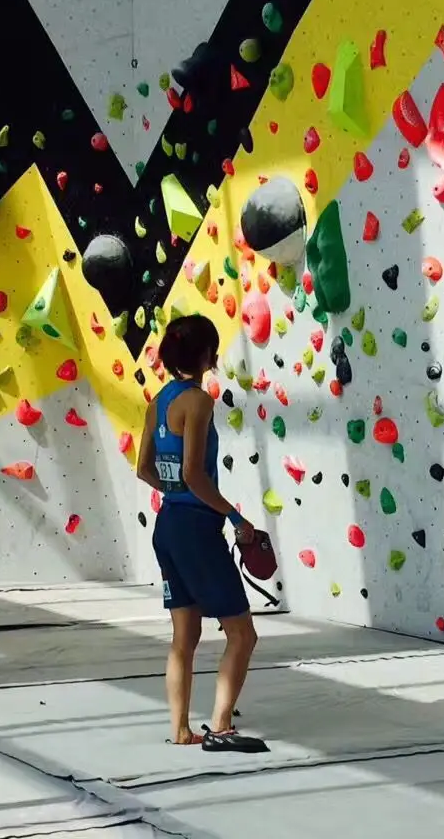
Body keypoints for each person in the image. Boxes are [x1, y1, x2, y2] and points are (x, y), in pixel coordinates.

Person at [136, 314, 267, 753]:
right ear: (206, 354)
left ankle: (180, 730)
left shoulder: (158, 402)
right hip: (195, 528)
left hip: (168, 525)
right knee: (242, 634)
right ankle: (221, 724)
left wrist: (173, 492)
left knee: (184, 639)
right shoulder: (198, 402)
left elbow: (144, 469)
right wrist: (235, 517)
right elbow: (194, 472)